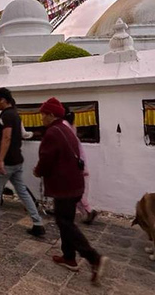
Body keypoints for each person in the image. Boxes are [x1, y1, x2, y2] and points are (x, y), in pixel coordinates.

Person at [34, 97, 108, 285]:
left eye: (43, 115)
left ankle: (94, 258)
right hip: (75, 183)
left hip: (64, 185)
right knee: (65, 220)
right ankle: (69, 257)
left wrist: (38, 171)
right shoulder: (66, 128)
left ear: (51, 115)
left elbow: (46, 159)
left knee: (65, 223)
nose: (41, 118)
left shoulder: (52, 133)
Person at [0, 87, 45, 236]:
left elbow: (6, 137)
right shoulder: (16, 115)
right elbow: (24, 134)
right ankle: (37, 223)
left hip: (6, 162)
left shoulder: (6, 115)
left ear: (3, 100)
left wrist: (0, 159)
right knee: (22, 192)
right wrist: (37, 133)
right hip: (17, 160)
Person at [64, 107, 98, 225]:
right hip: (79, 165)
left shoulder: (65, 130)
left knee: (77, 195)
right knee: (76, 194)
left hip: (76, 167)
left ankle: (88, 211)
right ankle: (86, 213)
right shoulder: (72, 130)